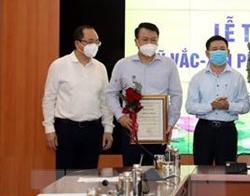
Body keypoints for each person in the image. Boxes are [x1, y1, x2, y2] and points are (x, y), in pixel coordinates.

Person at [106, 22, 183, 166]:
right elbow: (111, 93)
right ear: (136, 41)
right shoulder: (123, 65)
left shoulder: (169, 64)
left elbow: (176, 95)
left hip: (159, 130)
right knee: (131, 170)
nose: (150, 43)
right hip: (131, 129)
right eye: (145, 39)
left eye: (153, 40)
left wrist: (171, 123)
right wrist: (120, 116)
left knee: (157, 175)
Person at [42, 25, 113, 175]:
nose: (94, 46)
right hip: (66, 130)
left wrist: (108, 128)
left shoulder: (100, 68)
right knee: (65, 179)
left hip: (93, 131)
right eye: (90, 41)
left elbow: (105, 100)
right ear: (77, 44)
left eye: (97, 42)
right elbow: (49, 98)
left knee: (89, 178)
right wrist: (49, 129)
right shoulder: (59, 65)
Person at [186, 35, 250, 165]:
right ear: (207, 53)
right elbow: (190, 106)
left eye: (222, 49)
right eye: (214, 49)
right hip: (204, 129)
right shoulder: (198, 78)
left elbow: (246, 106)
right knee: (201, 171)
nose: (219, 52)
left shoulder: (237, 77)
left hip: (227, 131)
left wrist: (228, 106)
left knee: (227, 172)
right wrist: (211, 106)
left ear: (228, 52)